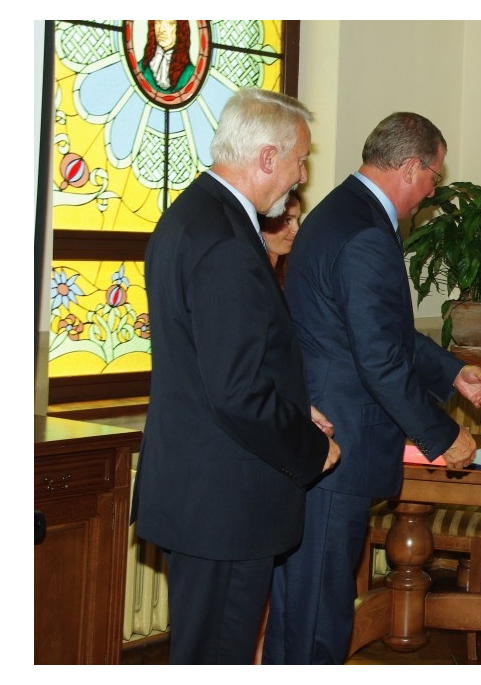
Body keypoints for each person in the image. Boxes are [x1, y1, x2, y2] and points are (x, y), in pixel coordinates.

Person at [261, 111, 481, 665]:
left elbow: (380, 330)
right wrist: (444, 436)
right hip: (337, 445)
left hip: (320, 438)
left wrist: (451, 371)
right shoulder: (368, 232)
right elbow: (380, 360)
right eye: (435, 177)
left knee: (303, 605)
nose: (430, 192)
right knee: (317, 616)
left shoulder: (339, 212)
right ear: (412, 167)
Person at [132, 87, 341, 665]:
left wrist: (294, 409)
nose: (301, 175)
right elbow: (236, 390)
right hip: (224, 502)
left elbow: (215, 367)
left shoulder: (192, 214)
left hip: (203, 490)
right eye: (299, 159)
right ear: (267, 157)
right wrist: (308, 445)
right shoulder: (227, 241)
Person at [259, 189, 302, 288]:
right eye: (286, 220)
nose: (297, 229)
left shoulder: (295, 266)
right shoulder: (246, 269)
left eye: (298, 219)